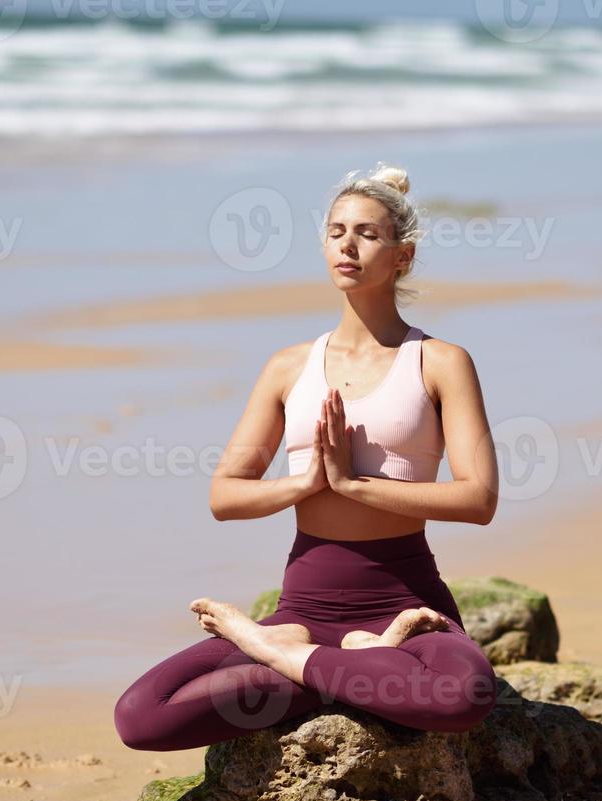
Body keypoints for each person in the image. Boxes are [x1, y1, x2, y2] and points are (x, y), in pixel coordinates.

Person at [113, 162, 501, 752]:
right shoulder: (288, 367)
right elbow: (225, 495)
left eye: (368, 233)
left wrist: (353, 484)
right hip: (304, 608)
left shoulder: (441, 362)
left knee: (461, 696)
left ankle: (284, 659)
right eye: (336, 231)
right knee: (142, 715)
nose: (348, 243)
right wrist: (306, 483)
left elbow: (479, 498)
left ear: (404, 255)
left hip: (406, 602)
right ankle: (337, 668)